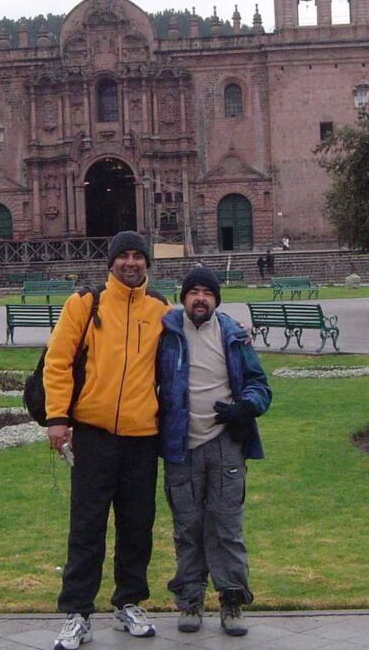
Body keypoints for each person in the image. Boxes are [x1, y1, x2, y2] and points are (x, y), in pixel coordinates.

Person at [44, 231, 169, 650]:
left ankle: (128, 601)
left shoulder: (161, 309)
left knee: (138, 526)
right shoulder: (86, 303)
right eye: (124, 257)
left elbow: (198, 333)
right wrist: (57, 418)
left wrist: (236, 331)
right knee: (87, 526)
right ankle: (77, 612)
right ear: (110, 263)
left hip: (142, 437)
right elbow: (58, 361)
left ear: (147, 264)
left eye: (138, 257)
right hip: (94, 434)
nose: (131, 263)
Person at [156, 266, 272, 637]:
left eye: (207, 292)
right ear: (183, 298)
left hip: (224, 444)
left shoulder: (234, 335)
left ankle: (232, 602)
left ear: (216, 300)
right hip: (181, 443)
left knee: (226, 528)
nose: (200, 298)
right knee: (187, 528)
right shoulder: (166, 332)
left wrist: (246, 407)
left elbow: (259, 385)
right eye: (194, 292)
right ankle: (190, 600)